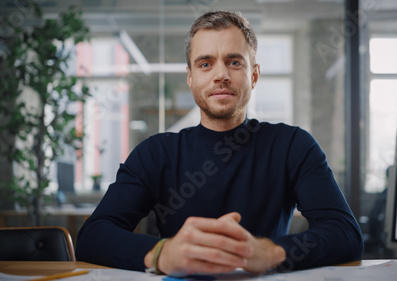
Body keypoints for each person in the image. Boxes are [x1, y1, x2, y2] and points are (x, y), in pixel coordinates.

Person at [76, 10, 363, 276]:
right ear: (190, 77)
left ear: (254, 75)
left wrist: (271, 252)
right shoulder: (155, 153)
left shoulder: (293, 145)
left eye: (234, 62)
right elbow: (94, 235)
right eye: (205, 64)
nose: (221, 75)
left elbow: (345, 232)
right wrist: (161, 254)